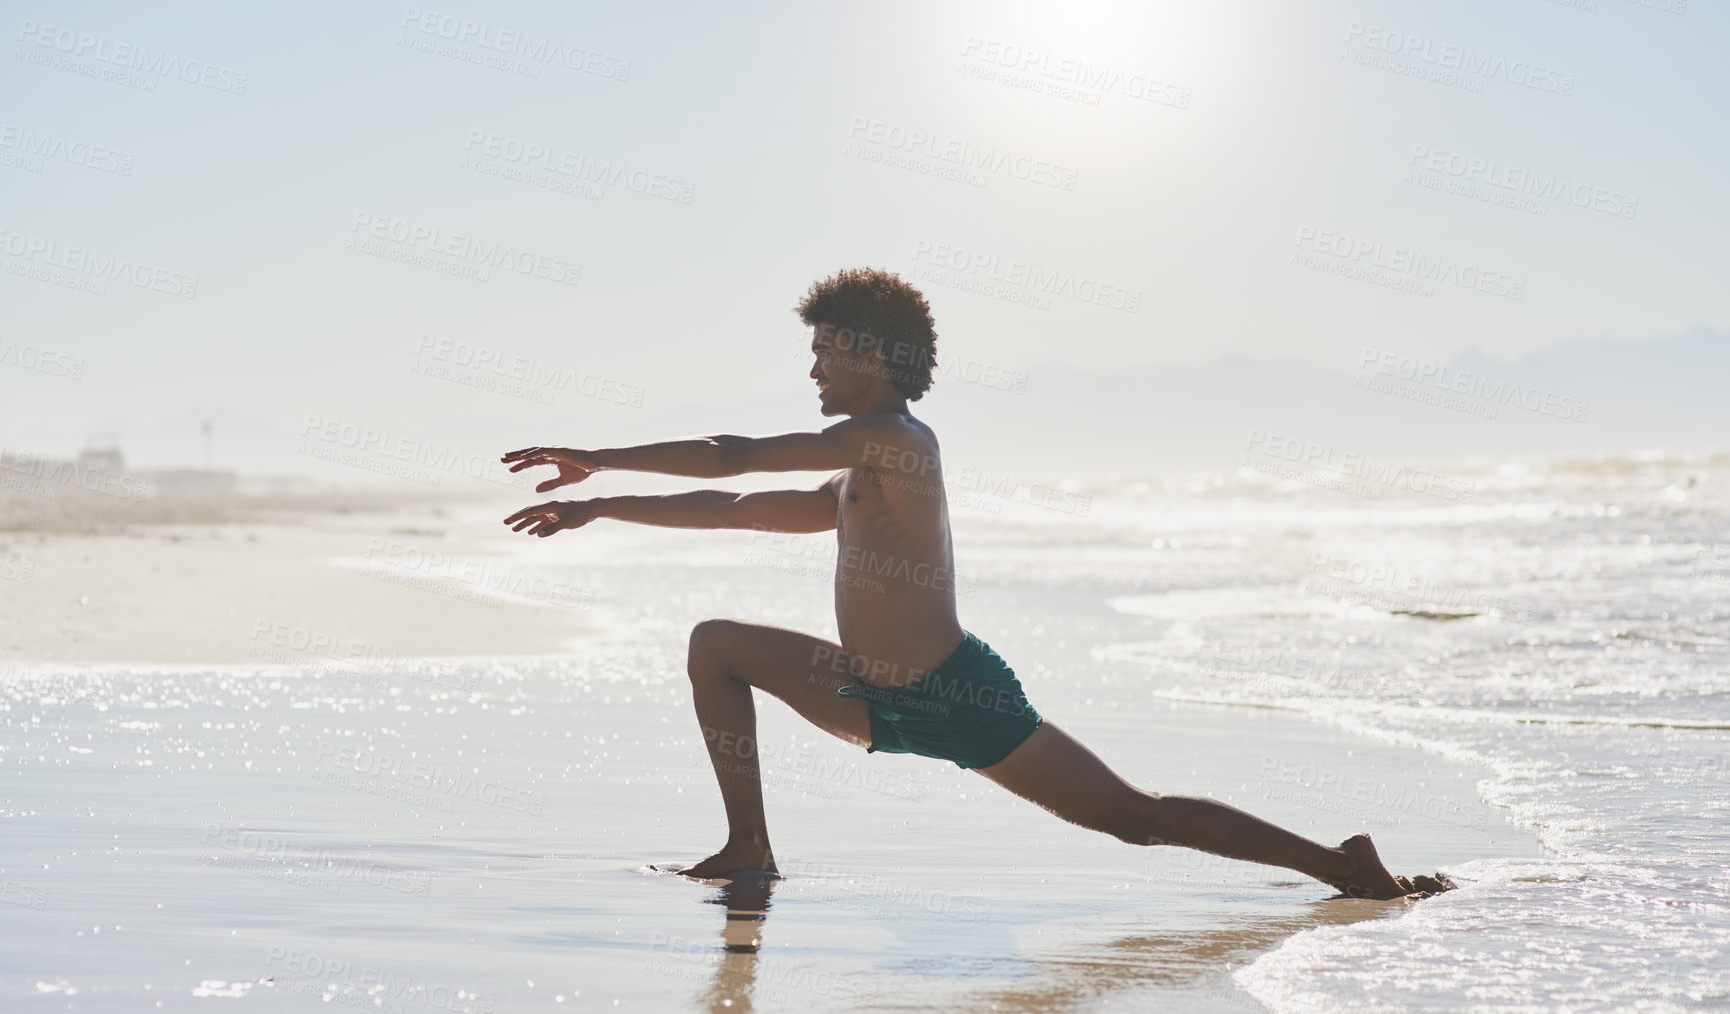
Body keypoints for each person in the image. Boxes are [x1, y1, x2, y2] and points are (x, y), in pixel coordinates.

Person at [503, 268, 1440, 899]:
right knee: (716, 644)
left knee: (1131, 820)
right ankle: (749, 846)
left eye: (827, 347)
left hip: (956, 694)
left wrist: (594, 454)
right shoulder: (852, 473)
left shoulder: (896, 443)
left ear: (875, 354)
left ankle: (1339, 865)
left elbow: (730, 453)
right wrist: (602, 506)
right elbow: (739, 503)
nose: (816, 365)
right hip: (866, 691)